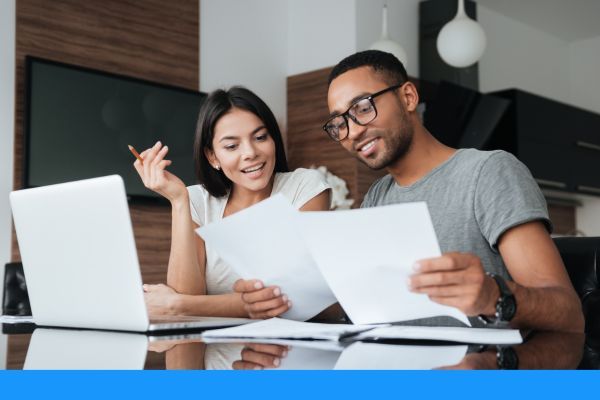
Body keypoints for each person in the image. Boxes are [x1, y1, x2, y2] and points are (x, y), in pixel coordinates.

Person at [317, 50, 583, 331]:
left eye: (362, 107)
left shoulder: (489, 172)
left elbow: (566, 312)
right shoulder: (376, 196)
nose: (353, 131)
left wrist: (493, 295)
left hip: (474, 370)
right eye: (339, 123)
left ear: (408, 97)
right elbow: (365, 303)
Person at [133, 86, 331, 319]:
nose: (250, 152)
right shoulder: (197, 200)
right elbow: (186, 295)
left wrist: (179, 305)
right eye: (231, 146)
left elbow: (290, 297)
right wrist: (178, 202)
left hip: (287, 350)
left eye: (260, 137)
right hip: (212, 352)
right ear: (212, 156)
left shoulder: (304, 187)